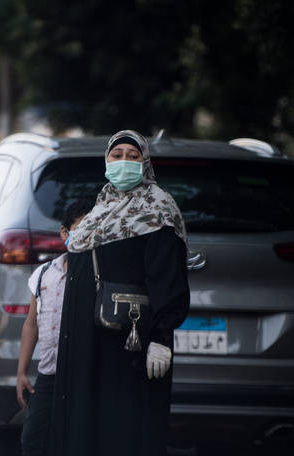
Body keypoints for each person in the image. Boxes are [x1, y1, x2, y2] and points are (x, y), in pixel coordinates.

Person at [49, 130, 190, 456]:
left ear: (145, 163)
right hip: (86, 347)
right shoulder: (98, 209)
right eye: (117, 155)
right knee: (86, 428)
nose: (124, 161)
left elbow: (168, 278)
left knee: (123, 428)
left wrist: (161, 338)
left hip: (128, 346)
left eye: (132, 155)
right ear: (106, 160)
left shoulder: (159, 210)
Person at [16, 200, 93, 456]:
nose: (87, 236)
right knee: (33, 440)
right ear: (65, 233)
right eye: (81, 228)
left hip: (84, 377)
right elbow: (31, 324)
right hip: (48, 375)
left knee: (75, 441)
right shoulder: (44, 274)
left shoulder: (98, 275)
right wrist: (22, 371)